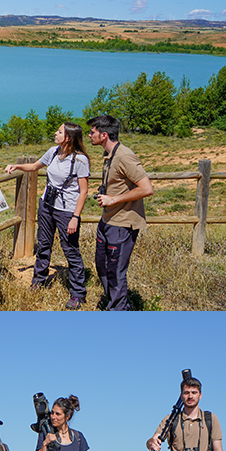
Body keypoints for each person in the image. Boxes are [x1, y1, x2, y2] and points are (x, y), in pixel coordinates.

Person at [5, 123, 91, 309]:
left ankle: (78, 293)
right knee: (43, 244)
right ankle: (38, 281)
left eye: (59, 132)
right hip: (46, 206)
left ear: (68, 137)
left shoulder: (81, 161)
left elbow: (83, 192)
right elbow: (35, 166)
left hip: (67, 211)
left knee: (70, 249)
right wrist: (17, 165)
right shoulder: (53, 151)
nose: (55, 133)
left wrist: (75, 217)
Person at [86, 115, 154, 311]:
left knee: (116, 271)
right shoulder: (109, 155)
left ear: (104, 135)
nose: (90, 135)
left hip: (123, 223)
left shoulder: (125, 156)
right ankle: (116, 302)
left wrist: (114, 199)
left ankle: (118, 311)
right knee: (102, 266)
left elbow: (147, 189)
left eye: (93, 132)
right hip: (108, 220)